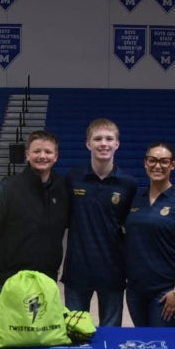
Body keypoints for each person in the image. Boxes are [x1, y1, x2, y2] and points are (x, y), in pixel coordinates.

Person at [62, 118, 137, 326]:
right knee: (74, 331)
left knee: (110, 336)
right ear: (88, 144)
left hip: (113, 271)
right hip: (77, 271)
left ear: (117, 144)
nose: (103, 143)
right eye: (98, 139)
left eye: (109, 139)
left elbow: (130, 227)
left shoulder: (128, 183)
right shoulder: (73, 178)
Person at [124, 142, 175, 327]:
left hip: (168, 291)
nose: (157, 166)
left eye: (164, 161)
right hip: (136, 292)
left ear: (172, 165)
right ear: (145, 163)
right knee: (143, 342)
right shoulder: (136, 200)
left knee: (162, 343)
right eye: (152, 160)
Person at [0, 130, 71, 289]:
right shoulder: (9, 187)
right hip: (10, 278)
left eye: (48, 152)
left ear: (56, 156)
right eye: (37, 151)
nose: (42, 156)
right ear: (27, 154)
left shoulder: (63, 189)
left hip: (47, 278)